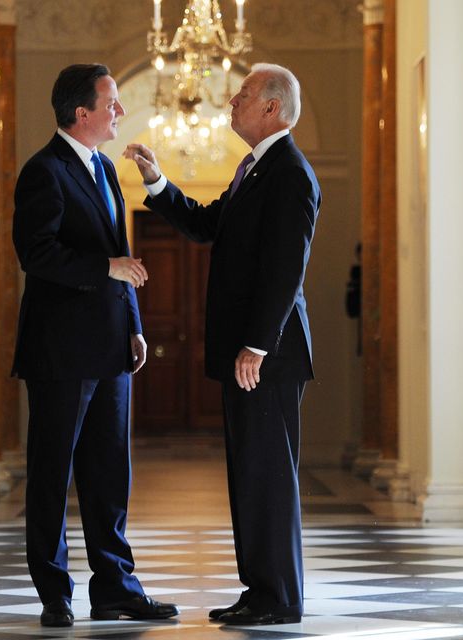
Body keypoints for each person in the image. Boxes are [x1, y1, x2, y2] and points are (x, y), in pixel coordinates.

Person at [124, 62, 321, 625]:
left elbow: (286, 270)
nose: (231, 102)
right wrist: (157, 183)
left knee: (269, 476)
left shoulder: (289, 173)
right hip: (252, 354)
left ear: (272, 109)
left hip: (270, 358)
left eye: (243, 95)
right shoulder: (255, 168)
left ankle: (280, 598)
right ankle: (261, 590)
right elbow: (209, 225)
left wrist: (256, 346)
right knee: (249, 472)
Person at [12, 63, 179, 628]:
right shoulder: (44, 171)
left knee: (110, 473)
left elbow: (120, 249)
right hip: (60, 350)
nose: (119, 111)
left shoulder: (106, 168)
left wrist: (133, 323)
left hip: (111, 346)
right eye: (111, 103)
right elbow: (36, 254)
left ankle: (115, 588)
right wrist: (105, 269)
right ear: (81, 113)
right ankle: (53, 593)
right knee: (53, 471)